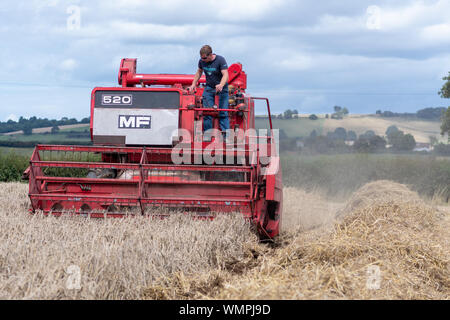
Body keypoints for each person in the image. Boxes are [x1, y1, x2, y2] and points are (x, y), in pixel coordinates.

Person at [188, 45, 230, 135]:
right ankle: (207, 135)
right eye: (201, 58)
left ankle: (226, 137)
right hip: (209, 88)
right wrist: (193, 84)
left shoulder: (220, 60)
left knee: (223, 112)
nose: (203, 60)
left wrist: (221, 85)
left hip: (222, 89)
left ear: (210, 55)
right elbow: (199, 72)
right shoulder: (202, 61)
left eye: (204, 58)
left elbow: (225, 74)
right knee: (207, 112)